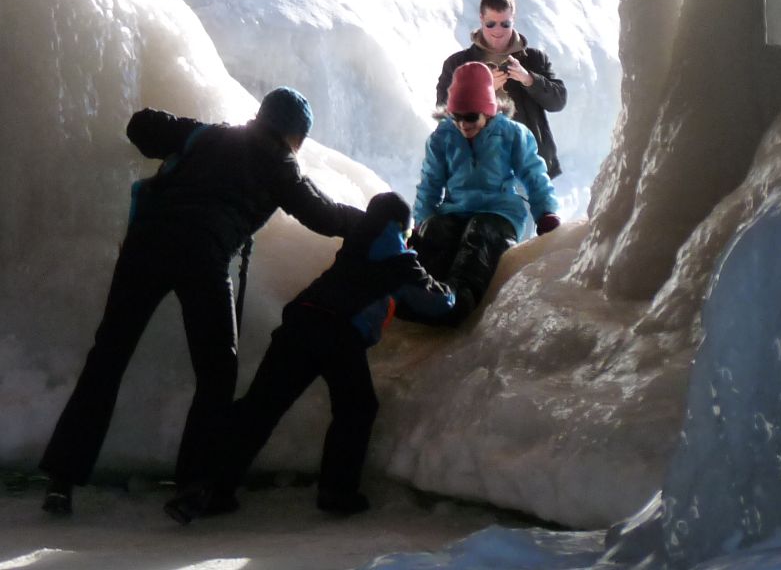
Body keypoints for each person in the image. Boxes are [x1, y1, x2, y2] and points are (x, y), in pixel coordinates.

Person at [38, 88, 362, 516]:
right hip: (202, 256)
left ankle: (61, 480)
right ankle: (193, 484)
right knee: (217, 370)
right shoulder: (281, 164)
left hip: (145, 246)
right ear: (294, 135)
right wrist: (374, 222)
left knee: (109, 357)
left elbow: (142, 126)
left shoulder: (209, 135)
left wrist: (174, 137)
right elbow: (323, 215)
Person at [165, 193, 453, 524]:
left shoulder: (357, 239)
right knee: (357, 407)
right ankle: (337, 492)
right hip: (338, 331)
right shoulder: (399, 259)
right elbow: (438, 303)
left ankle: (208, 487)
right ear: (401, 226)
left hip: (300, 320)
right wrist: (458, 288)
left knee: (261, 406)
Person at [402, 62, 559, 327]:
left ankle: (459, 298)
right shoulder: (443, 137)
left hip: (499, 211)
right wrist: (422, 224)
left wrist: (545, 213)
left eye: (471, 117)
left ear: (488, 110)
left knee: (480, 234)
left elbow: (534, 175)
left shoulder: (511, 134)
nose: (463, 124)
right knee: (437, 230)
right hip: (455, 208)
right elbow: (430, 184)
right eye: (457, 117)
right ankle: (418, 293)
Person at [434, 0, 568, 179]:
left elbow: (558, 101)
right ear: (481, 19)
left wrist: (529, 79)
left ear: (513, 19)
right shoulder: (458, 64)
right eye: (491, 24)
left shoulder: (534, 59)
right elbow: (445, 116)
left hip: (528, 171)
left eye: (505, 24)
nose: (498, 31)